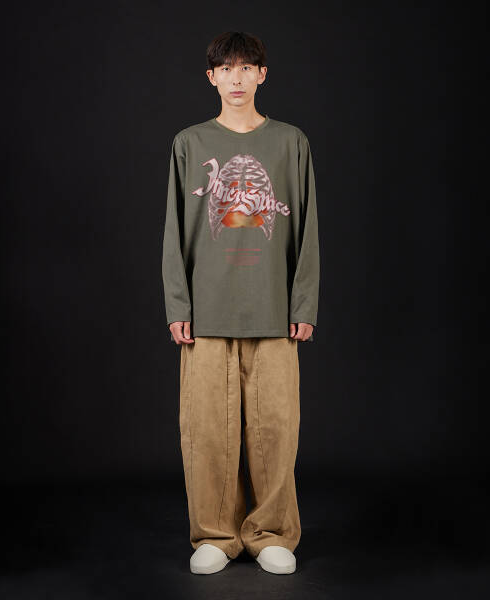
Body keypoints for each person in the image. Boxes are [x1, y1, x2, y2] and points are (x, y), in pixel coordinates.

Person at [161, 31, 320, 575]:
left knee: (276, 426)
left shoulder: (290, 143)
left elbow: (307, 228)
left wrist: (304, 304)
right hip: (206, 312)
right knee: (206, 428)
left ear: (262, 74)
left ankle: (271, 532)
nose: (236, 78)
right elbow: (175, 229)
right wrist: (178, 303)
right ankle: (215, 534)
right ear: (211, 77)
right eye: (226, 69)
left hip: (273, 309)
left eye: (246, 67)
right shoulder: (190, 143)